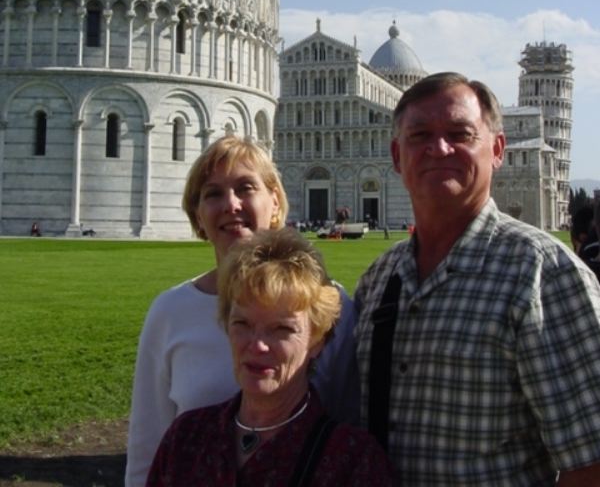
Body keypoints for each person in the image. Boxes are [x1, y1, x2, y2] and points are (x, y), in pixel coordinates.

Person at [355, 72, 600, 486]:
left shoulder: (543, 273)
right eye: (420, 136)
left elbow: (591, 463)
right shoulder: (380, 279)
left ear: (498, 150)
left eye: (460, 134)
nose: (439, 148)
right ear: (397, 156)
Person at [125, 136, 358, 487]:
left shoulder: (331, 306)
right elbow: (147, 452)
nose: (230, 204)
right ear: (198, 215)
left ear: (275, 202)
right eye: (213, 194)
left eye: (245, 188)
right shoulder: (170, 312)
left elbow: (349, 423)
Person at [146, 228, 392, 486]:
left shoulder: (353, 461)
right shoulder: (185, 438)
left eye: (281, 329)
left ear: (317, 341)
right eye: (242, 324)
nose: (258, 345)